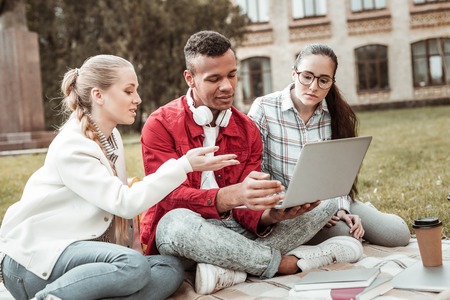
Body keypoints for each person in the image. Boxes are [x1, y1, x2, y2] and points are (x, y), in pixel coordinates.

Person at [139, 30, 364, 296]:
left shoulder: (246, 129)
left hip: (237, 232)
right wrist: (225, 197)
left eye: (232, 75)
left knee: (325, 203)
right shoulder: (160, 124)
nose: (227, 86)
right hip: (189, 234)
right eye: (214, 79)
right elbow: (167, 198)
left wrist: (270, 216)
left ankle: (232, 269)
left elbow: (247, 208)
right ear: (190, 78)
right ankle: (283, 264)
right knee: (174, 223)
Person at [0, 54, 240, 300]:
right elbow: (124, 203)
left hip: (86, 263)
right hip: (34, 264)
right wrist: (184, 166)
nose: (137, 99)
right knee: (133, 265)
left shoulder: (111, 137)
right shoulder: (72, 146)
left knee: (168, 267)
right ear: (98, 95)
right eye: (128, 91)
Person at [248, 43, 411, 248]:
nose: (313, 87)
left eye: (323, 80)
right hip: (289, 210)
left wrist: (342, 209)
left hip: (333, 199)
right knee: (347, 234)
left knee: (398, 235)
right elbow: (254, 171)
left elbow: (339, 174)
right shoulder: (264, 108)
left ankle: (356, 212)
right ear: (294, 73)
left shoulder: (334, 114)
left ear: (331, 82)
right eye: (307, 76)